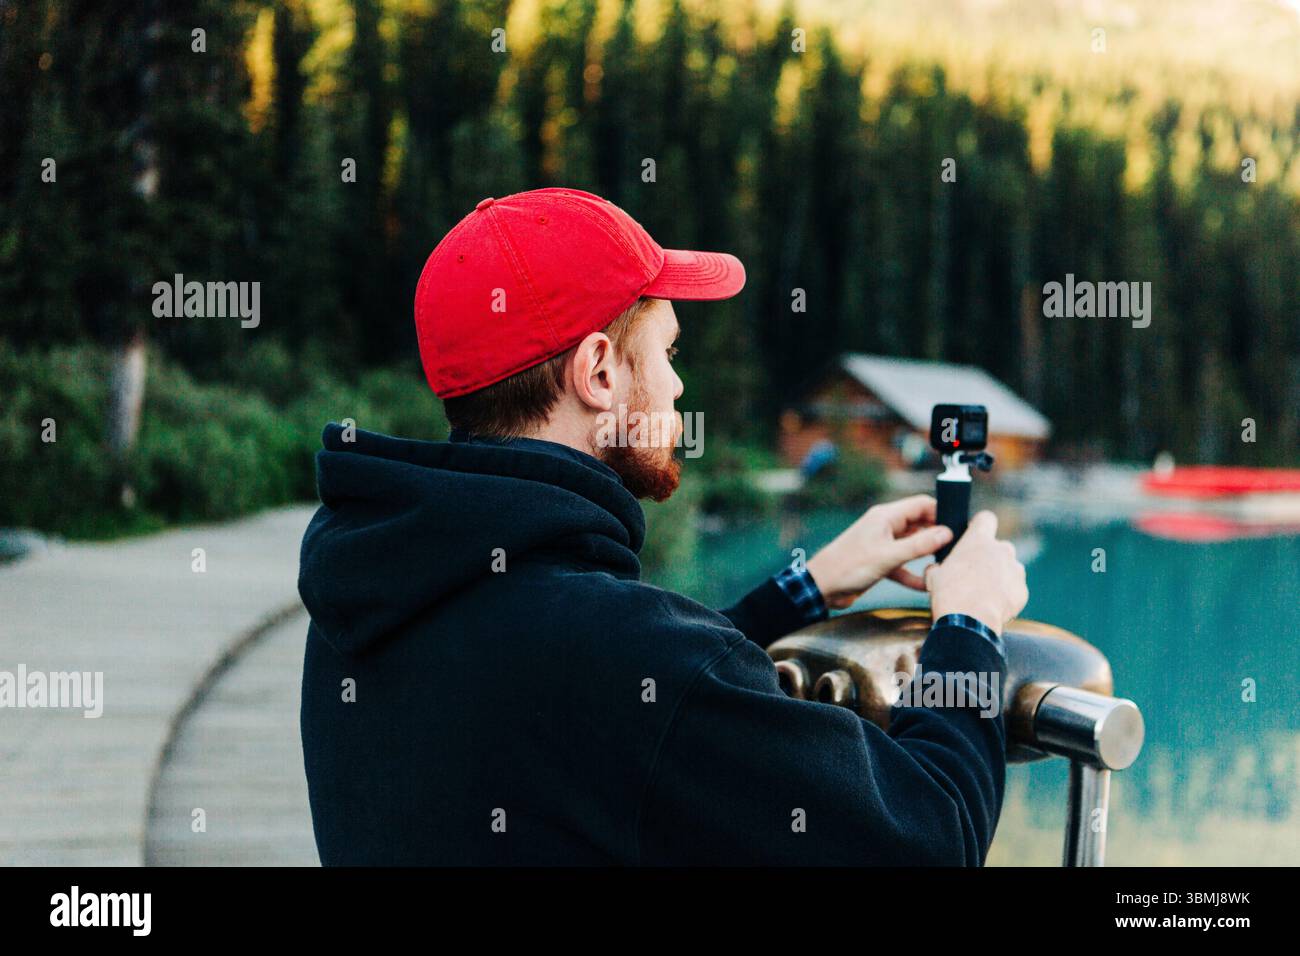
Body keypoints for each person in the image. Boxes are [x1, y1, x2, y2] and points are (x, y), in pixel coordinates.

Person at [298, 187, 1028, 865]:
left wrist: (807, 588)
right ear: (600, 373)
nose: (678, 384)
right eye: (667, 351)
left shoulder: (371, 593)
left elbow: (614, 687)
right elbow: (929, 834)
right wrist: (969, 626)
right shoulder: (613, 651)